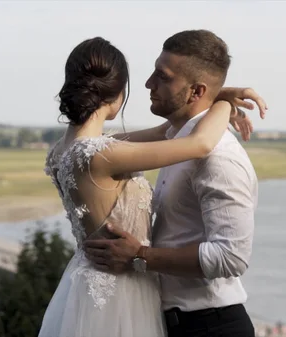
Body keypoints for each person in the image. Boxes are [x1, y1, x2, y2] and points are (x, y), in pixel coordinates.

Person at [39, 35, 266, 337]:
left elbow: (231, 256)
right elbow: (197, 143)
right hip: (128, 300)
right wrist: (221, 101)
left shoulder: (66, 151)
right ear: (117, 94)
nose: (148, 84)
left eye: (162, 76)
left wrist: (217, 99)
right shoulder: (103, 153)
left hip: (186, 317)